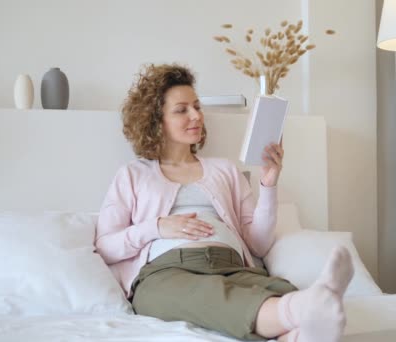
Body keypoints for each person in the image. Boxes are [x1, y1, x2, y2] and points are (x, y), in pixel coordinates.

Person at [95, 63, 354, 342]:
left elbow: (258, 244)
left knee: (280, 290)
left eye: (197, 106)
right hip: (167, 272)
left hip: (232, 267)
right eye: (182, 110)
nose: (196, 115)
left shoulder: (224, 170)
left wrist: (268, 183)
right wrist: (157, 227)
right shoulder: (133, 175)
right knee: (208, 298)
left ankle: (300, 320)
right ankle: (302, 310)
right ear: (156, 120)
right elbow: (106, 247)